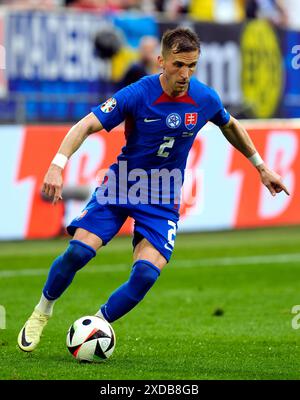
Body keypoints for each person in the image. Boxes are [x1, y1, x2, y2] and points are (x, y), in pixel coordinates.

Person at [17, 27, 289, 352]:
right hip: (123, 184)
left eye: (192, 66)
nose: (185, 74)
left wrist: (261, 166)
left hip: (163, 196)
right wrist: (58, 164)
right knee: (78, 251)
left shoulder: (204, 98)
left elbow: (230, 124)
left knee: (146, 275)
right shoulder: (138, 93)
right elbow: (86, 125)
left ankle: (97, 325)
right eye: (178, 65)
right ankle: (41, 311)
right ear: (161, 61)